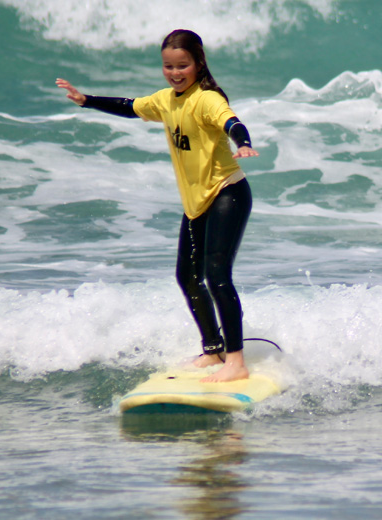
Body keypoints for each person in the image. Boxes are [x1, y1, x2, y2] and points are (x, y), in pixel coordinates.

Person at [57, 29, 259, 383]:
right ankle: (213, 351)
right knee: (187, 277)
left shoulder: (206, 99)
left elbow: (232, 122)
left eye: (182, 65)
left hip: (228, 193)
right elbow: (130, 106)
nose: (175, 72)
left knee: (217, 277)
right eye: (168, 66)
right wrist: (86, 99)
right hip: (197, 202)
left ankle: (236, 362)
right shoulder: (167, 101)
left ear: (198, 63)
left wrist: (243, 143)